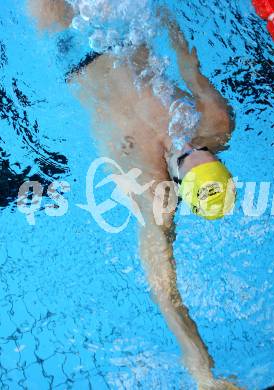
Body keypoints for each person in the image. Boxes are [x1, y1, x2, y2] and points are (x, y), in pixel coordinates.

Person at [27, 1, 239, 388]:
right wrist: (164, 18)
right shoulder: (216, 122)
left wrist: (200, 367)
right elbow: (187, 60)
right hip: (124, 31)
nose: (188, 145)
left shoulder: (152, 184)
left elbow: (162, 282)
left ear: (182, 184)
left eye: (187, 155)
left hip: (73, 53)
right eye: (201, 151)